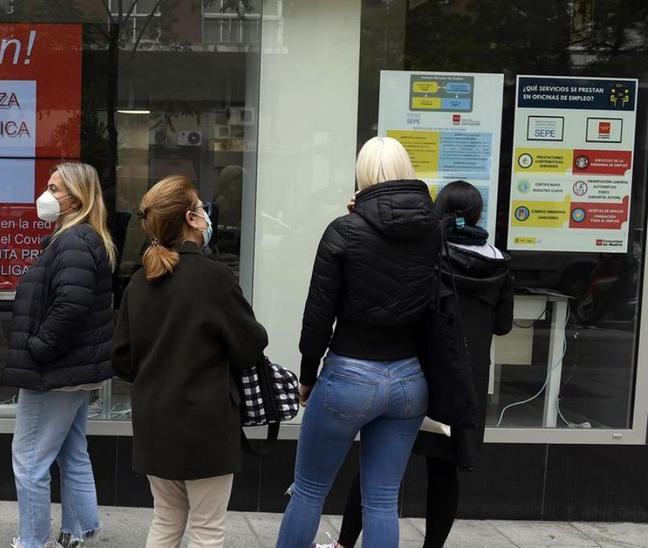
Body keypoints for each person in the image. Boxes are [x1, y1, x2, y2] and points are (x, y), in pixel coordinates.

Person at [328, 181, 514, 548]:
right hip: (463, 382)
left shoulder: (429, 255)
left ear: (438, 211)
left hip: (414, 371)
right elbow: (503, 325)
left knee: (378, 468)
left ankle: (345, 543)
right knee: (444, 472)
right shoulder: (501, 264)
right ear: (478, 215)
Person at [275, 136, 438, 548]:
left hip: (349, 374)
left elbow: (317, 319)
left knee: (310, 490)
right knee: (382, 500)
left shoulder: (344, 231)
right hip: (409, 379)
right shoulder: (433, 232)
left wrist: (307, 376)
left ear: (362, 175)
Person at [112, 176, 268, 547]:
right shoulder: (214, 279)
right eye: (201, 207)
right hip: (206, 424)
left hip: (154, 421)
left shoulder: (139, 281)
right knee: (206, 528)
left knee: (165, 521)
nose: (207, 214)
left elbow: (121, 358)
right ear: (192, 218)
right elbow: (251, 345)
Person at [0, 162, 117, 548]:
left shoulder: (73, 241)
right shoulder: (77, 238)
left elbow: (71, 306)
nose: (45, 196)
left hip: (55, 370)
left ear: (77, 198)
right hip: (71, 369)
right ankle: (81, 529)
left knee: (30, 461)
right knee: (72, 450)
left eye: (55, 188)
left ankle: (32, 541)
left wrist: (39, 348)